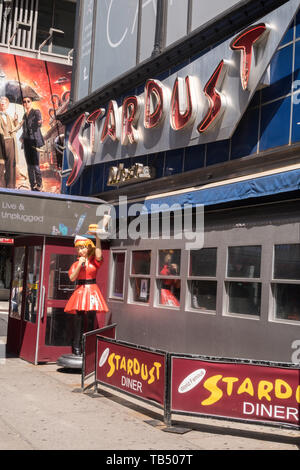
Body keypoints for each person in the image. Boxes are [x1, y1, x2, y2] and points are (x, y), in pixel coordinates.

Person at [64, 234, 109, 355]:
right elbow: (72, 278)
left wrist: (98, 238)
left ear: (89, 247)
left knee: (90, 319)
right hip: (80, 290)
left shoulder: (95, 261)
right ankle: (76, 345)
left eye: (83, 247)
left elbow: (99, 255)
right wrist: (79, 264)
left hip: (92, 290)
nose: (80, 250)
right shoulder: (75, 264)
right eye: (78, 248)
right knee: (78, 319)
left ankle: (88, 345)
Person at [19, 96, 44, 191]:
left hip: (34, 141)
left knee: (35, 165)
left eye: (28, 101)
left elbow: (39, 123)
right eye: (24, 101)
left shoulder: (36, 112)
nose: (26, 103)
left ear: (31, 102)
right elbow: (22, 127)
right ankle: (32, 185)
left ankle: (39, 184)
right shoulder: (24, 116)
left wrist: (38, 122)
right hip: (26, 142)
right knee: (29, 166)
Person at [0, 96, 19, 188]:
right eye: (1, 101)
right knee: (1, 165)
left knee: (11, 166)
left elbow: (15, 128)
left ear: (7, 105)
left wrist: (16, 120)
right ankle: (1, 188)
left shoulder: (10, 117)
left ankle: (10, 188)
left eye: (4, 102)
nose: (2, 103)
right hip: (0, 143)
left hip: (10, 142)